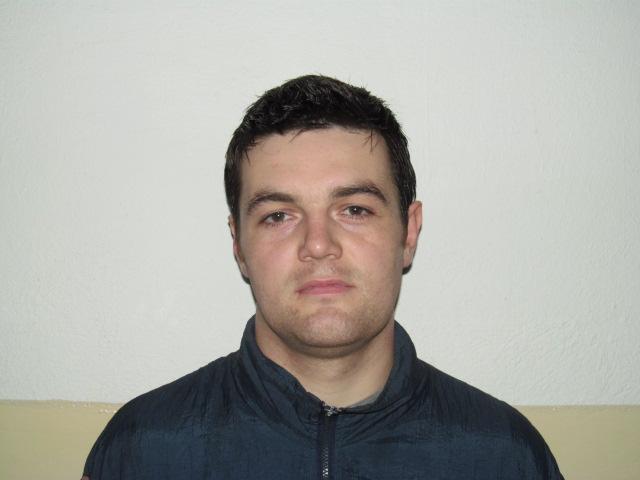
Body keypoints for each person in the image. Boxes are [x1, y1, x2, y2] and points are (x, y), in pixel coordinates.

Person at [81, 75, 564, 479]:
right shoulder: (141, 451)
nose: (317, 244)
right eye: (278, 215)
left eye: (354, 209)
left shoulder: (505, 457)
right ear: (238, 245)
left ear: (409, 232)